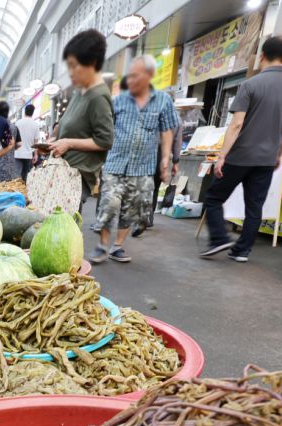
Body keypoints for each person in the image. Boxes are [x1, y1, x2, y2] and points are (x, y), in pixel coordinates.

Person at [200, 36, 282, 262]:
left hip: (240, 155)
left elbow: (236, 124)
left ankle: (219, 238)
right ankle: (242, 251)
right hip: (267, 158)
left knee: (214, 197)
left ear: (262, 56)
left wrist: (222, 156)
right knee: (254, 207)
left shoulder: (251, 84)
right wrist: (279, 153)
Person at [91, 55, 178, 263]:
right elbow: (105, 131)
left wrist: (166, 157)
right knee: (109, 204)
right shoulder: (118, 101)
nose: (130, 80)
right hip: (115, 162)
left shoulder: (163, 101)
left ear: (149, 75)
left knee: (132, 208)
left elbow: (167, 130)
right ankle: (102, 245)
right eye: (129, 76)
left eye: (135, 76)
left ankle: (117, 246)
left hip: (143, 166)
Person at [48, 29, 114, 212]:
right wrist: (53, 140)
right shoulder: (79, 92)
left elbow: (105, 140)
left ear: (91, 63)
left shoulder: (98, 97)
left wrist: (68, 143)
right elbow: (67, 124)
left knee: (64, 222)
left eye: (74, 66)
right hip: (62, 170)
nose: (70, 72)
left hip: (77, 175)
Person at [134, 91, 183, 236]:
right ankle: (149, 218)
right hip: (163, 157)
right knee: (154, 189)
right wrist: (175, 162)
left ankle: (140, 217)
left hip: (150, 153)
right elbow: (177, 142)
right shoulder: (177, 119)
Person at [0, 101, 22, 181]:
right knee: (9, 186)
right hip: (10, 165)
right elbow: (19, 144)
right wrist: (12, 148)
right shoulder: (14, 127)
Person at [15, 104, 38, 180]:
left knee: (16, 179)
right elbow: (36, 142)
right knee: (27, 178)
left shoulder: (18, 123)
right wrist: (36, 155)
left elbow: (14, 139)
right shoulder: (35, 125)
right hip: (28, 155)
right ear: (33, 112)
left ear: (24, 112)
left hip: (18, 154)